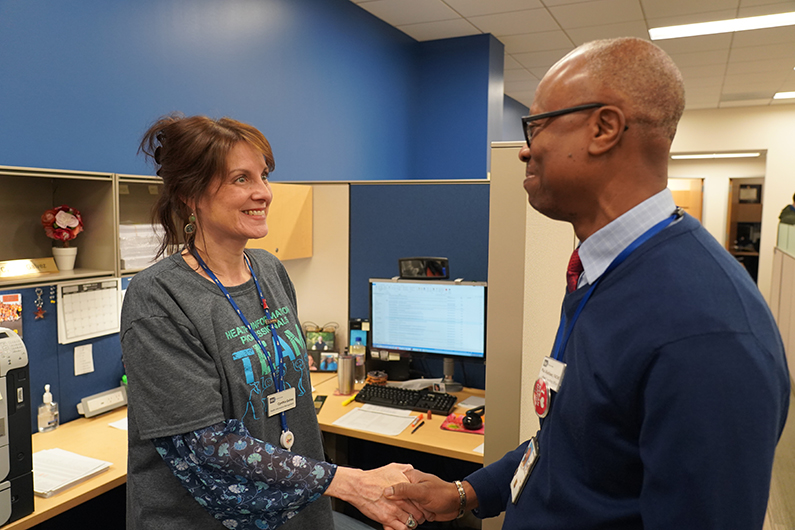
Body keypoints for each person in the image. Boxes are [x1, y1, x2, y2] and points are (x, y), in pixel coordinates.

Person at [385, 37, 790, 529]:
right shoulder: (601, 272)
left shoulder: (708, 332)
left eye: (536, 126)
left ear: (604, 128)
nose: (525, 150)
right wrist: (468, 492)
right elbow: (569, 444)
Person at [121, 114, 425, 530]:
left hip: (301, 511)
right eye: (241, 179)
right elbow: (206, 445)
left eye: (263, 176)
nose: (263, 192)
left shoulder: (268, 270)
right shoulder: (158, 296)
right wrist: (349, 482)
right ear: (191, 194)